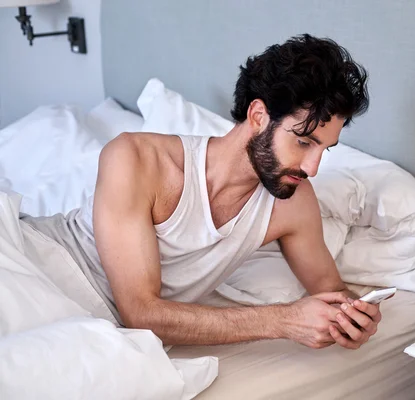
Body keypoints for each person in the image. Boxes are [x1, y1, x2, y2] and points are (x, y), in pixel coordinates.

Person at [21, 33, 377, 350]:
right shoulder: (136, 159)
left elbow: (333, 293)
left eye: (324, 149)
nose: (312, 167)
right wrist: (282, 320)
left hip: (87, 324)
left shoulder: (294, 202)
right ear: (257, 116)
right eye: (303, 142)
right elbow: (140, 313)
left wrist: (355, 316)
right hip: (34, 265)